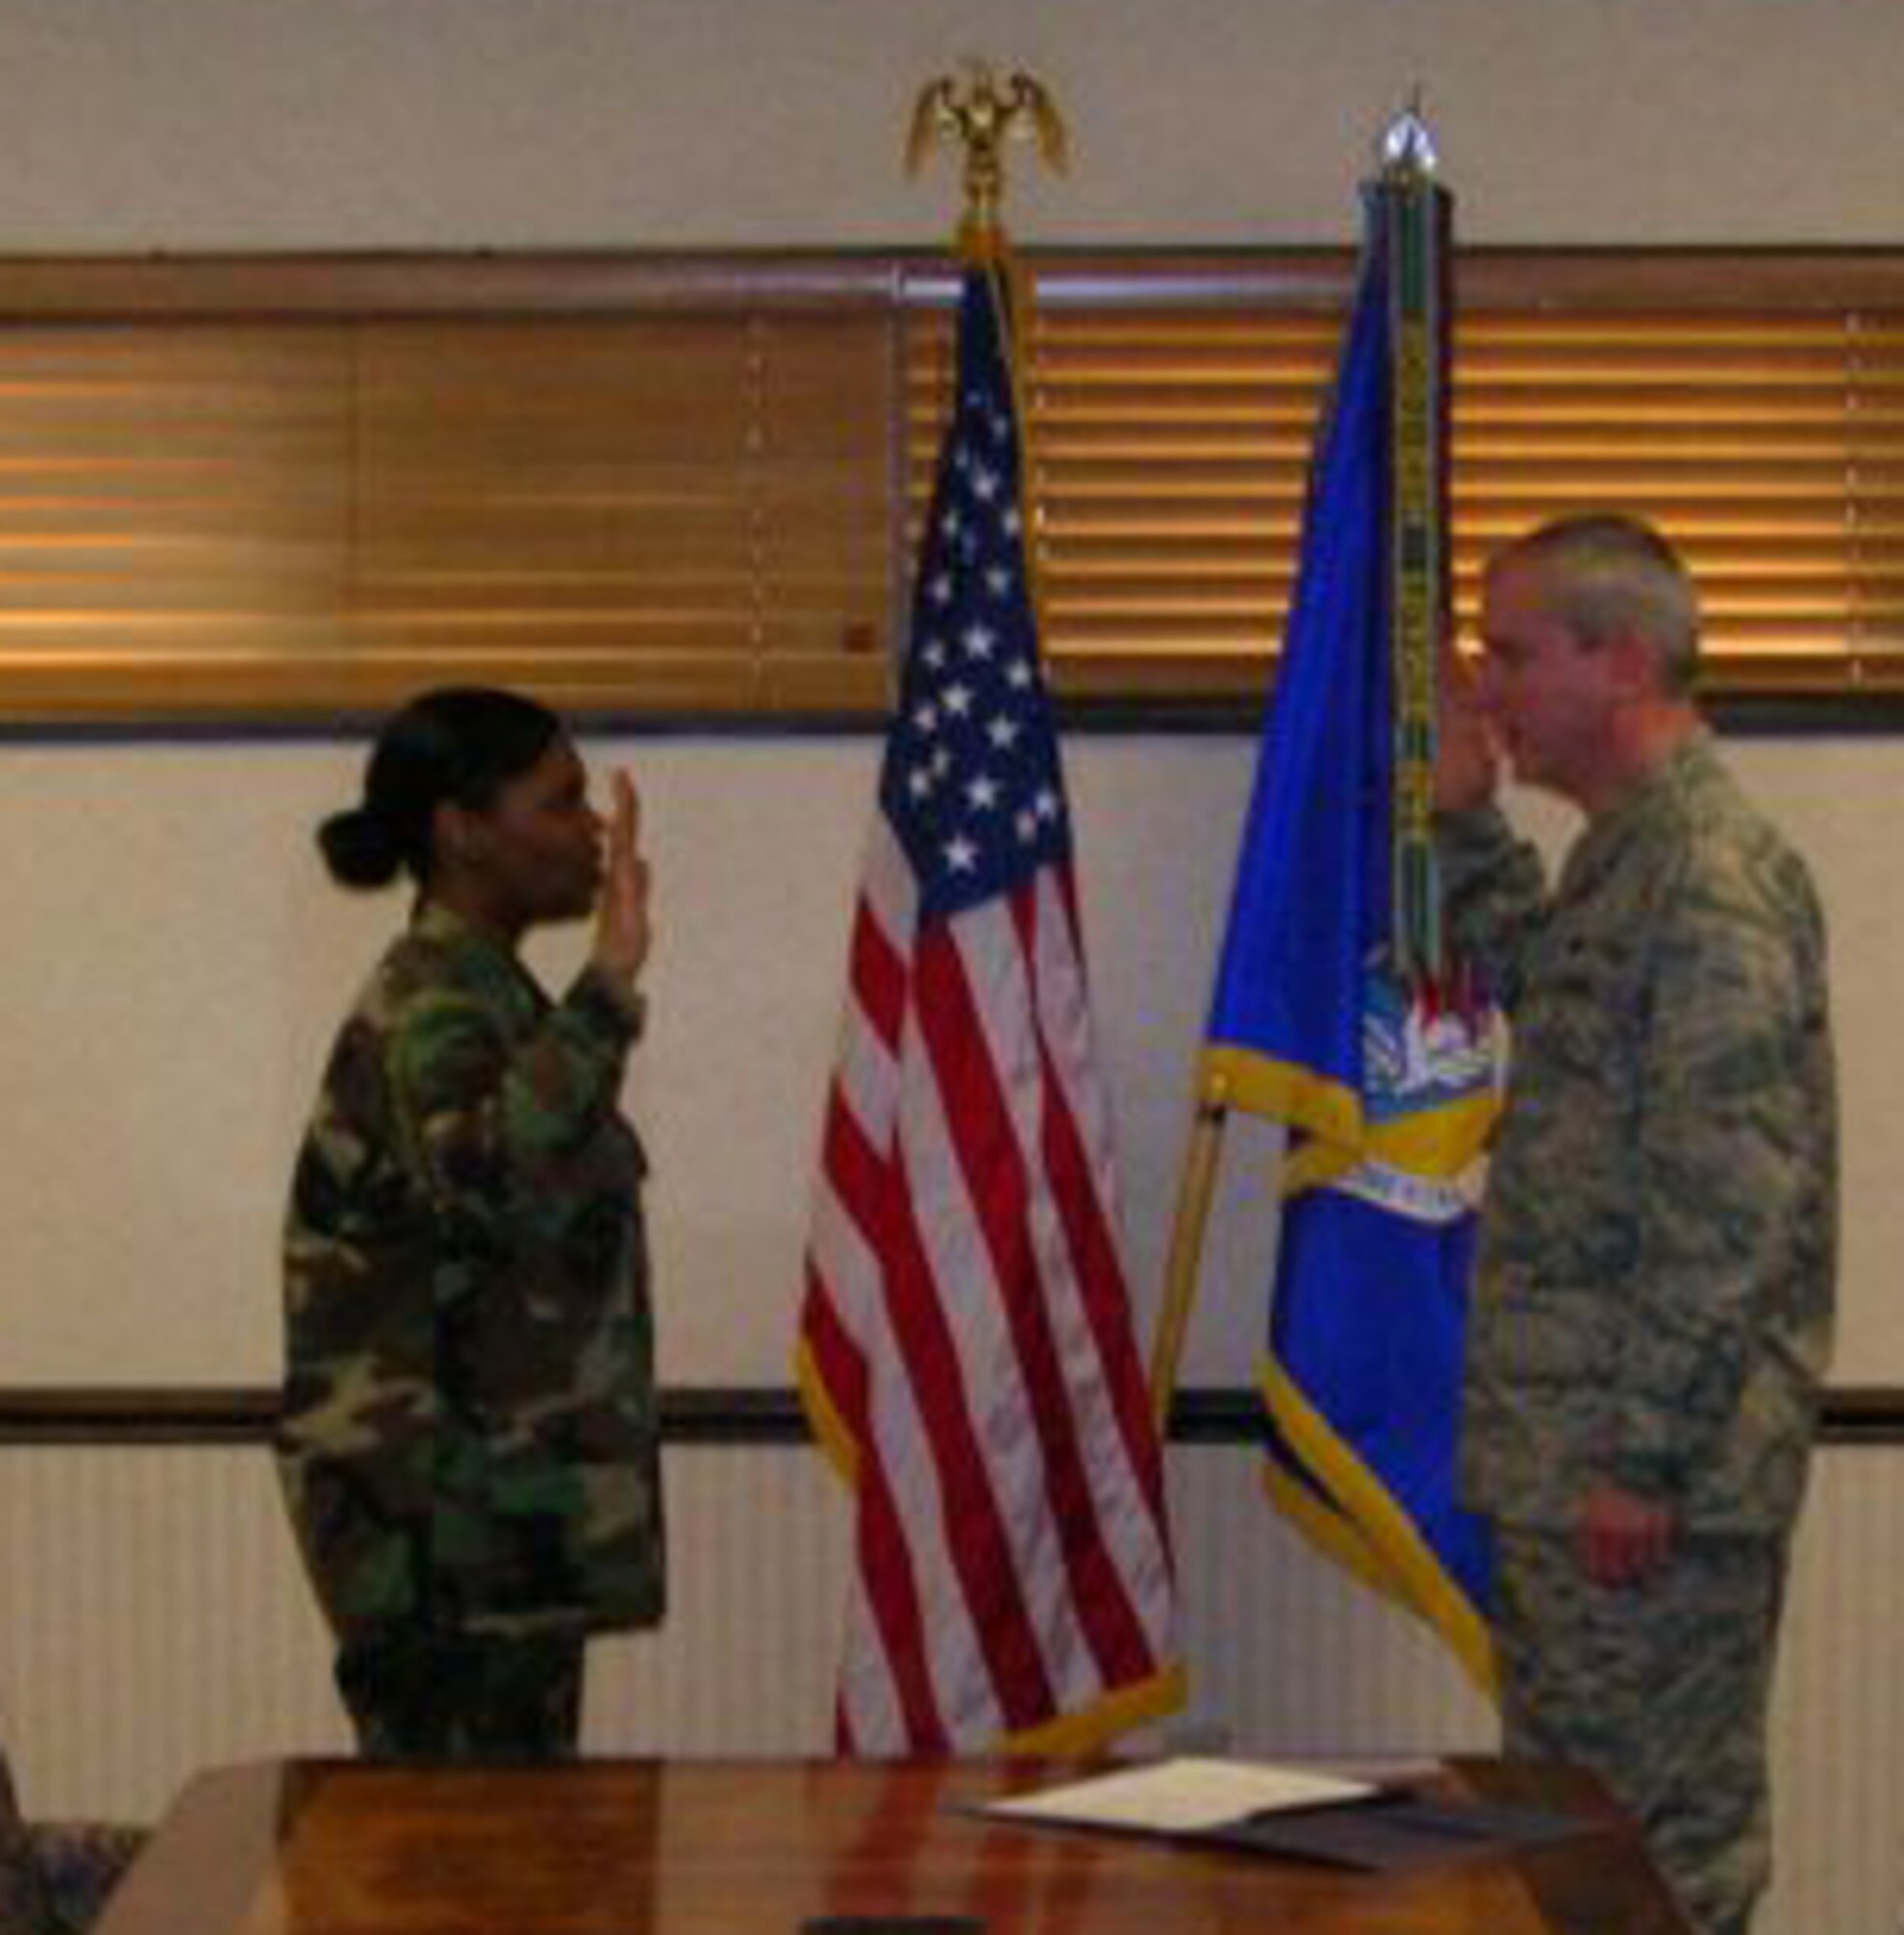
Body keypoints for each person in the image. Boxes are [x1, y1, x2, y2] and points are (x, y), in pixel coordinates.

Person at [1434, 515, 1836, 1935]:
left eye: (1512, 654)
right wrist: (1466, 822)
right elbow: (1555, 998)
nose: (1488, 686)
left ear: (1617, 661)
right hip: (1583, 1472)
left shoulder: (1709, 875)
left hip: (1642, 1486)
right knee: (1577, 1858)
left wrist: (1641, 1453)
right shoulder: (1630, 856)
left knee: (1654, 1869)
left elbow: (1731, 1199)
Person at [276, 687, 665, 1761]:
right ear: (463, 830)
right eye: (559, 801)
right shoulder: (430, 1005)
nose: (592, 829)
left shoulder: (486, 991)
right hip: (441, 1544)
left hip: (493, 1533)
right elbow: (491, 1173)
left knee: (509, 1847)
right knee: (457, 1850)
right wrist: (610, 982)